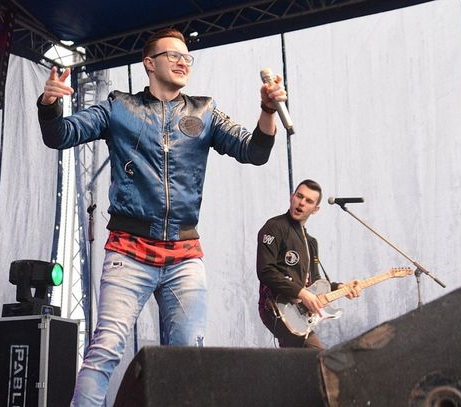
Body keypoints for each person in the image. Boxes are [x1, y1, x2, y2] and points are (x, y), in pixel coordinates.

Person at [37, 27, 287, 406]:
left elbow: (254, 151)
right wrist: (49, 105)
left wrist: (267, 111)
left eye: (187, 57)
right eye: (173, 55)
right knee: (106, 348)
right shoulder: (119, 107)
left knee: (187, 358)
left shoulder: (205, 111)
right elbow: (60, 135)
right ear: (149, 63)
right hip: (129, 251)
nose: (183, 62)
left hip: (184, 255)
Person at [256, 179, 361, 349]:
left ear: (315, 209)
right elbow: (265, 271)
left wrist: (341, 287)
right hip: (276, 308)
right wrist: (302, 293)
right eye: (299, 196)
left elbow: (315, 284)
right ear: (292, 197)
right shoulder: (274, 227)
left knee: (296, 361)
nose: (302, 203)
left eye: (309, 201)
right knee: (316, 356)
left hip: (299, 313)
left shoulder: (311, 242)